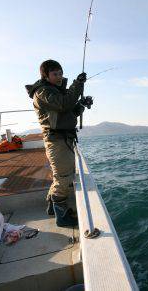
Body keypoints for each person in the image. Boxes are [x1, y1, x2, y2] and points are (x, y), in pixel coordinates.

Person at [26, 59, 91, 227]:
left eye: (61, 73)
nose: (59, 77)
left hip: (64, 138)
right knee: (63, 178)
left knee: (59, 176)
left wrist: (81, 105)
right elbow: (63, 104)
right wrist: (77, 84)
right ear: (45, 76)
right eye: (55, 74)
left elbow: (68, 113)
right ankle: (62, 217)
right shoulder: (43, 92)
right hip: (56, 141)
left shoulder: (55, 91)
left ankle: (52, 207)